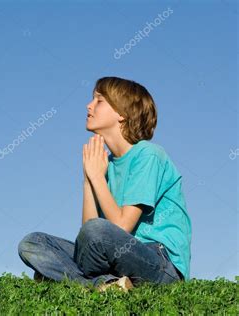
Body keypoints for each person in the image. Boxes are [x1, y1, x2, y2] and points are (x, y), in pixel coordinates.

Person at [18, 77, 191, 291]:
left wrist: (97, 177)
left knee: (96, 231)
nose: (89, 106)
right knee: (32, 243)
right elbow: (87, 241)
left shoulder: (149, 154)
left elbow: (119, 227)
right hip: (114, 259)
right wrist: (89, 179)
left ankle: (64, 277)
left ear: (122, 113)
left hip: (159, 263)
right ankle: (107, 285)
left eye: (99, 101)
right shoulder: (104, 165)